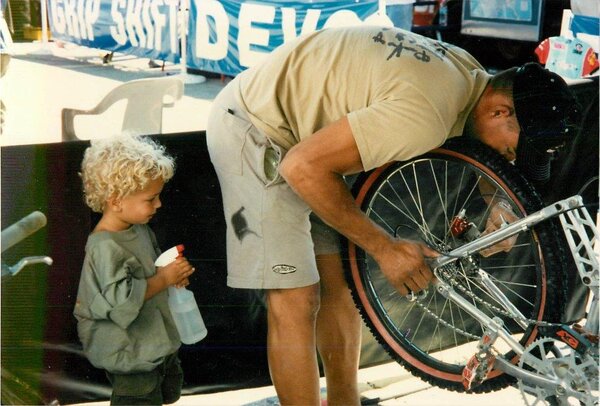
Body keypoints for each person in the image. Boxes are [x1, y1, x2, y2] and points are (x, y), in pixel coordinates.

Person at [206, 25, 579, 405]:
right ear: (500, 111)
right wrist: (385, 249)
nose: (512, 160)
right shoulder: (426, 110)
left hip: (311, 139)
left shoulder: (470, 80)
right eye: (515, 151)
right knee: (296, 298)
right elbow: (301, 168)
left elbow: (480, 146)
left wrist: (498, 202)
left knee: (339, 286)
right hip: (255, 126)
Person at [73, 135, 196, 405]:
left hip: (152, 342)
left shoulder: (138, 229)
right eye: (151, 199)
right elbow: (122, 302)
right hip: (129, 352)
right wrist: (164, 278)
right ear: (116, 201)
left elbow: (151, 272)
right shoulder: (104, 247)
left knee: (165, 393)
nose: (159, 204)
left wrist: (171, 275)